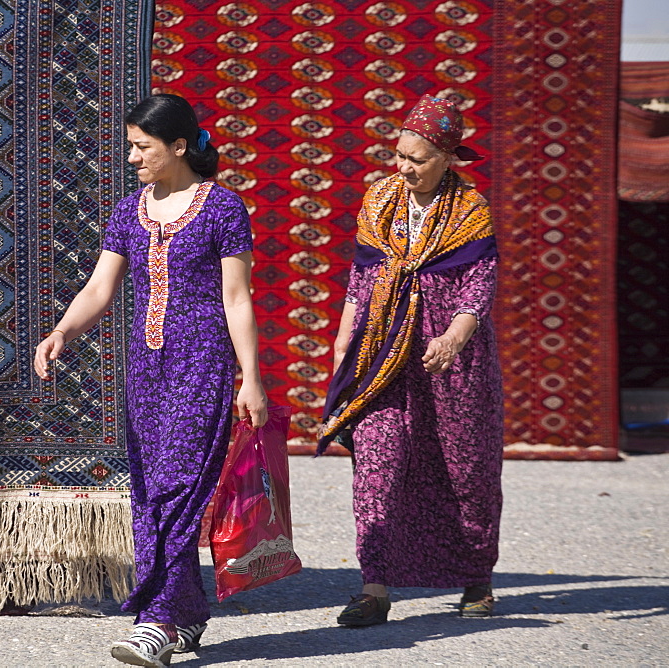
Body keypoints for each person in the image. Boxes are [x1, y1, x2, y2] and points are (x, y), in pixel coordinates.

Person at [34, 93, 268, 666]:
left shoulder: (222, 210)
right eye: (130, 147)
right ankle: (184, 615)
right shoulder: (127, 210)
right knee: (150, 491)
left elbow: (238, 300)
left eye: (142, 147)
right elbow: (99, 288)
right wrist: (63, 331)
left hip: (203, 367)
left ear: (179, 146)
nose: (132, 157)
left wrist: (251, 379)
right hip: (145, 371)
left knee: (177, 491)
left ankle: (156, 619)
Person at [318, 94, 504, 626]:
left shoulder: (470, 210)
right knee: (376, 462)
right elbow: (361, 278)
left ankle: (476, 581)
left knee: (463, 467)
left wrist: (453, 337)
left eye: (417, 159)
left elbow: (479, 286)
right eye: (399, 155)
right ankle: (373, 589)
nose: (404, 167)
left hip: (451, 362)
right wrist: (342, 343)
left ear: (448, 157)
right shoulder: (379, 200)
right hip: (381, 353)